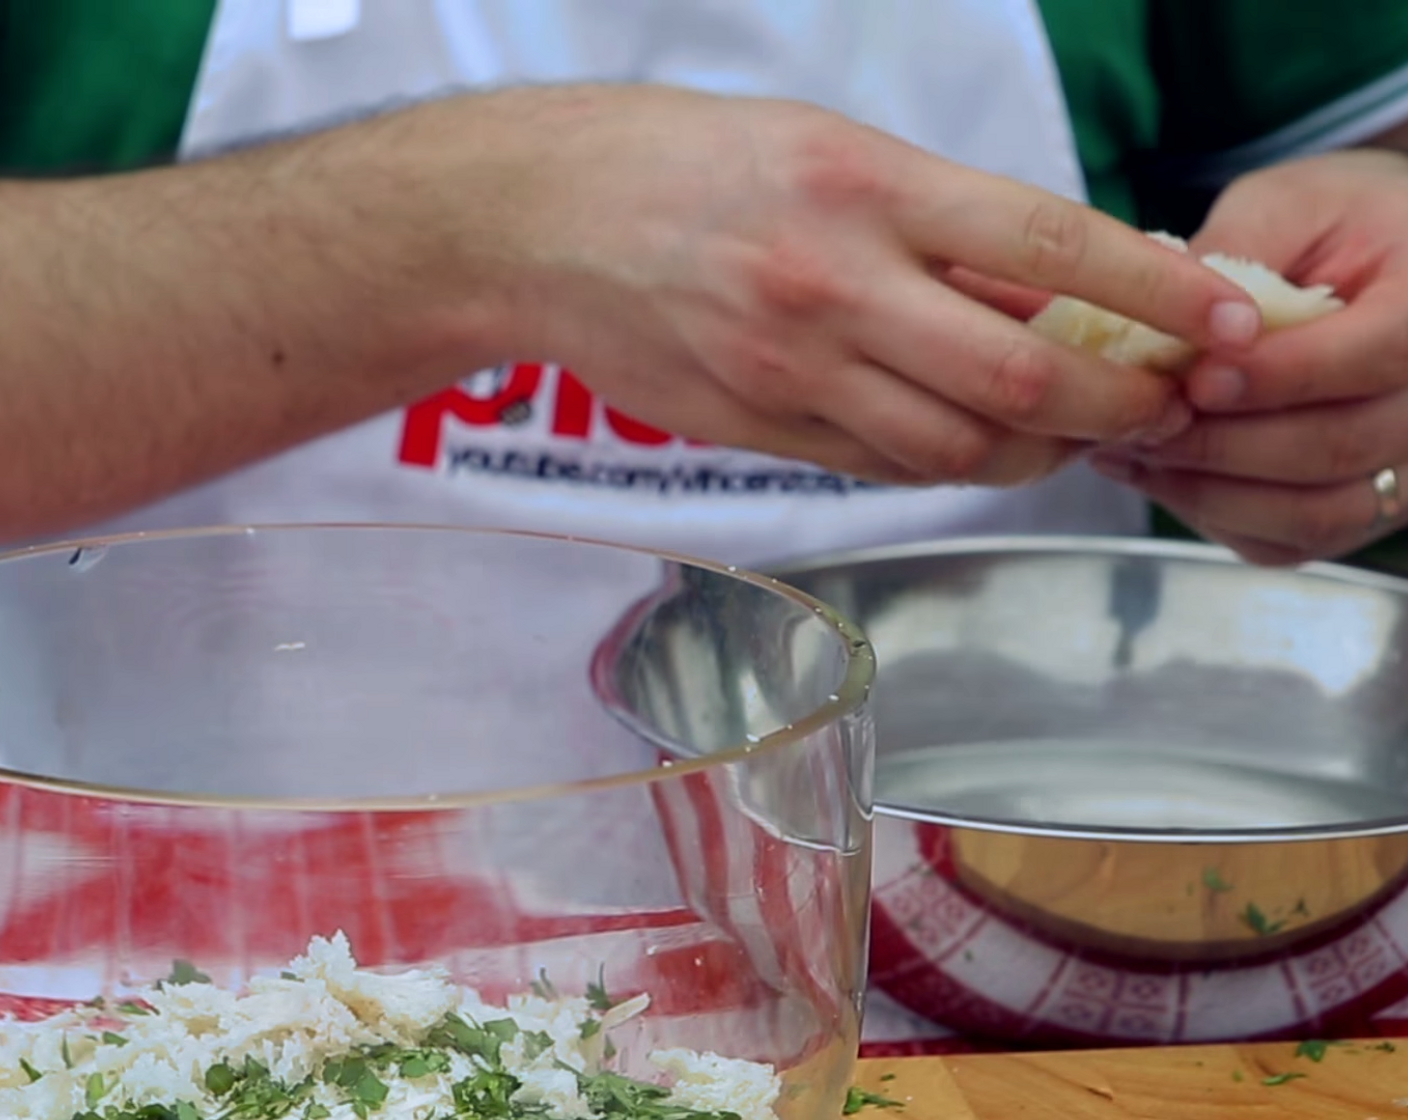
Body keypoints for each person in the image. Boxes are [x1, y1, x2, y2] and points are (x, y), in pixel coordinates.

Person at [3, 0, 1408, 1058]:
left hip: (989, 967)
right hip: (141, 987)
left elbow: (1373, 158)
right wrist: (468, 229)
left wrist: (1360, 345)